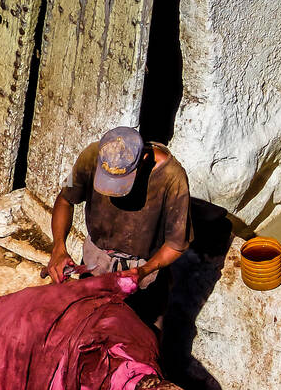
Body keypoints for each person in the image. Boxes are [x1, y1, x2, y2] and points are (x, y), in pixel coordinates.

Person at [47, 126, 193, 329]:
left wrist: (143, 271)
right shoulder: (91, 156)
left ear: (142, 162)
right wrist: (58, 248)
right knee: (85, 327)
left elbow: (176, 244)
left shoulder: (172, 178)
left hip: (143, 271)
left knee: (139, 340)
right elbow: (65, 200)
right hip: (96, 259)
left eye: (121, 183)